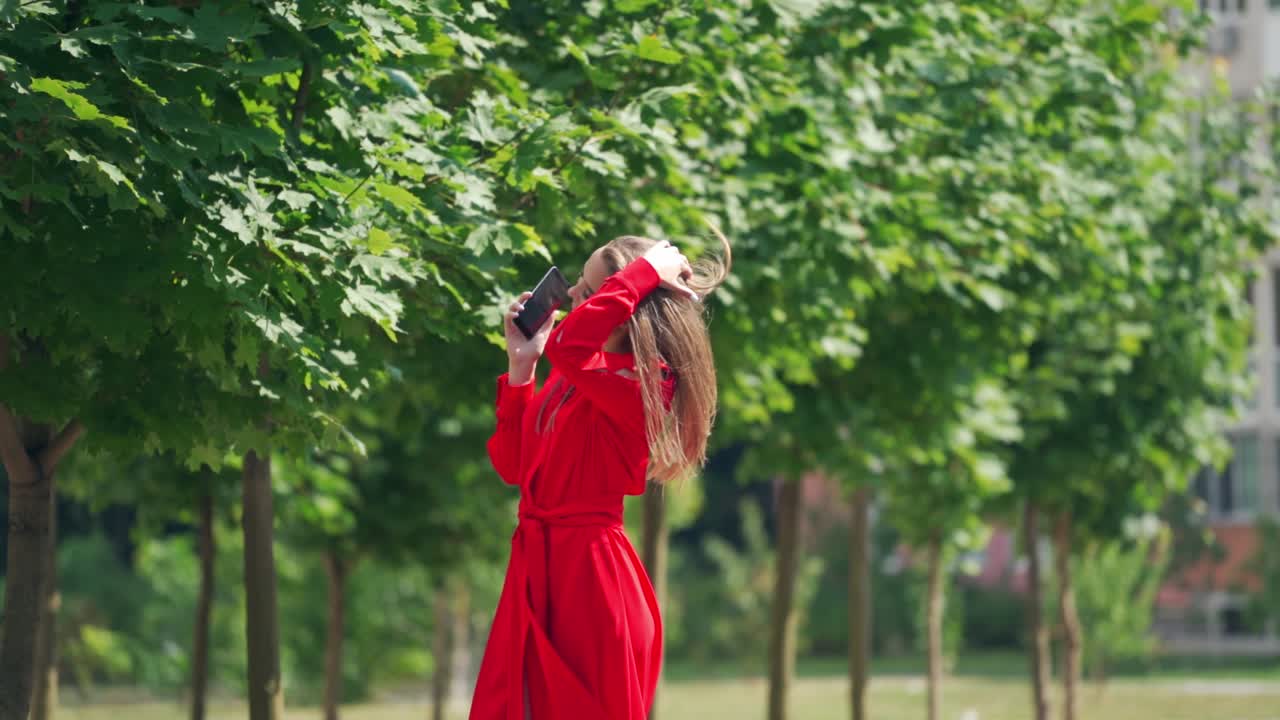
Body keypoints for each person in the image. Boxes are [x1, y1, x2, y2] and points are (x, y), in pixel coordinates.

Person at [469, 232, 730, 720]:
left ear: (624, 305)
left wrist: (642, 273)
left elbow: (567, 344)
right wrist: (521, 368)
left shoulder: (646, 382)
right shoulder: (575, 374)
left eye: (589, 291)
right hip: (540, 572)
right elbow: (513, 465)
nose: (571, 295)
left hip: (590, 586)